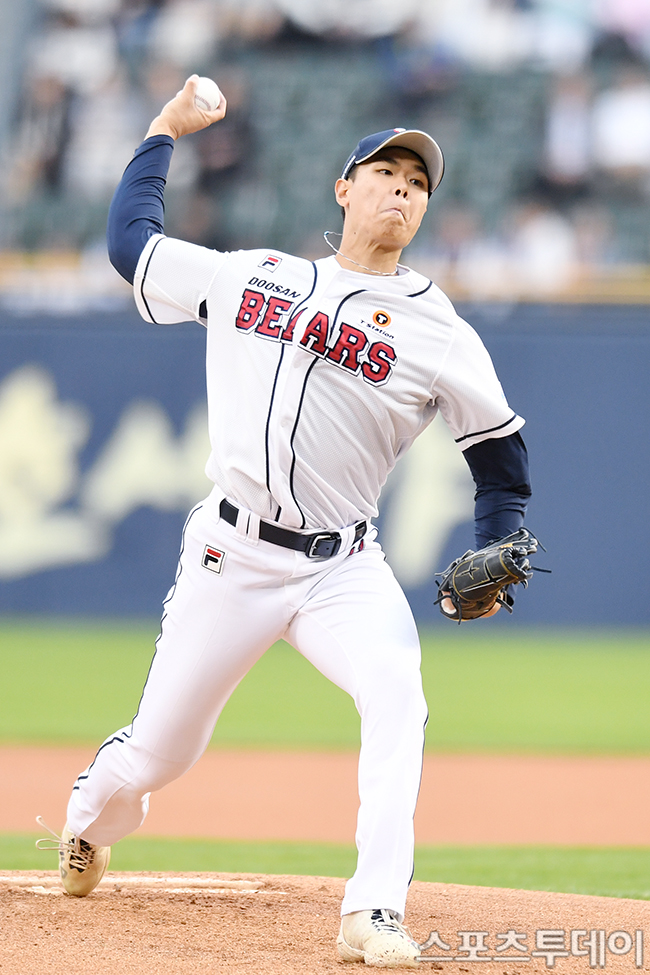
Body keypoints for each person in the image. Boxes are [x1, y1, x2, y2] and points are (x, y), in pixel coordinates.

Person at [40, 76, 531, 968]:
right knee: (158, 756)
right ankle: (86, 819)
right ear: (344, 189)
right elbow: (130, 246)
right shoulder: (254, 276)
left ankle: (373, 909)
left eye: (418, 183)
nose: (402, 191)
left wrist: (496, 541)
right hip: (231, 554)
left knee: (398, 693)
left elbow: (500, 459)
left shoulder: (439, 330)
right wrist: (163, 130)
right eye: (385, 174)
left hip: (343, 565)